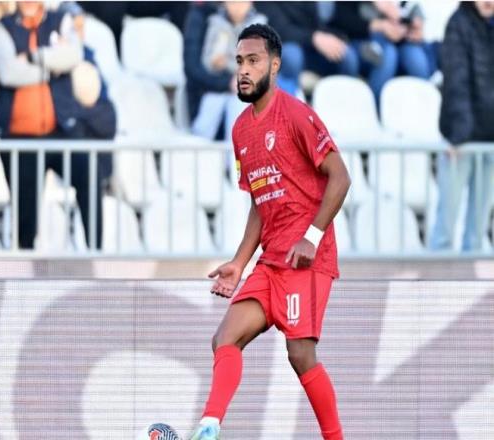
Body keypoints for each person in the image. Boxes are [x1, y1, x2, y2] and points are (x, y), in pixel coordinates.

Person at [188, 23, 351, 440]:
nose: (244, 69)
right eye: (239, 61)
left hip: (306, 257)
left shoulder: (296, 114)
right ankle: (209, 427)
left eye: (253, 61)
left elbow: (341, 177)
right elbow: (261, 202)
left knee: (300, 353)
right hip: (271, 260)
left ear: (274, 66)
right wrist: (239, 262)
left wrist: (312, 236)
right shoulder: (241, 129)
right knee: (224, 337)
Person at [0, 1, 116, 249]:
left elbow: (73, 55)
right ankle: (26, 268)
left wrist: (34, 57)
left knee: (89, 177)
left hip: (61, 130)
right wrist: (51, 70)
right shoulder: (2, 29)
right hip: (20, 138)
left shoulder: (60, 20)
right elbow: (9, 73)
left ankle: (96, 254)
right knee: (26, 216)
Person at [429, 1, 494, 252]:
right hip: (462, 141)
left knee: (477, 230)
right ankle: (437, 275)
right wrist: (458, 136)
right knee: (446, 224)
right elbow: (456, 83)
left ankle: (468, 277)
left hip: (489, 139)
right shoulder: (458, 24)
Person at [191, 1, 266, 141]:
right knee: (206, 117)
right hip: (217, 85)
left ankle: (234, 154)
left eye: (242, 3)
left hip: (247, 87)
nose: (237, 7)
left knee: (239, 117)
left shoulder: (259, 26)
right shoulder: (216, 22)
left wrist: (228, 65)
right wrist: (214, 63)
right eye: (232, 2)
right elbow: (207, 60)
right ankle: (198, 152)